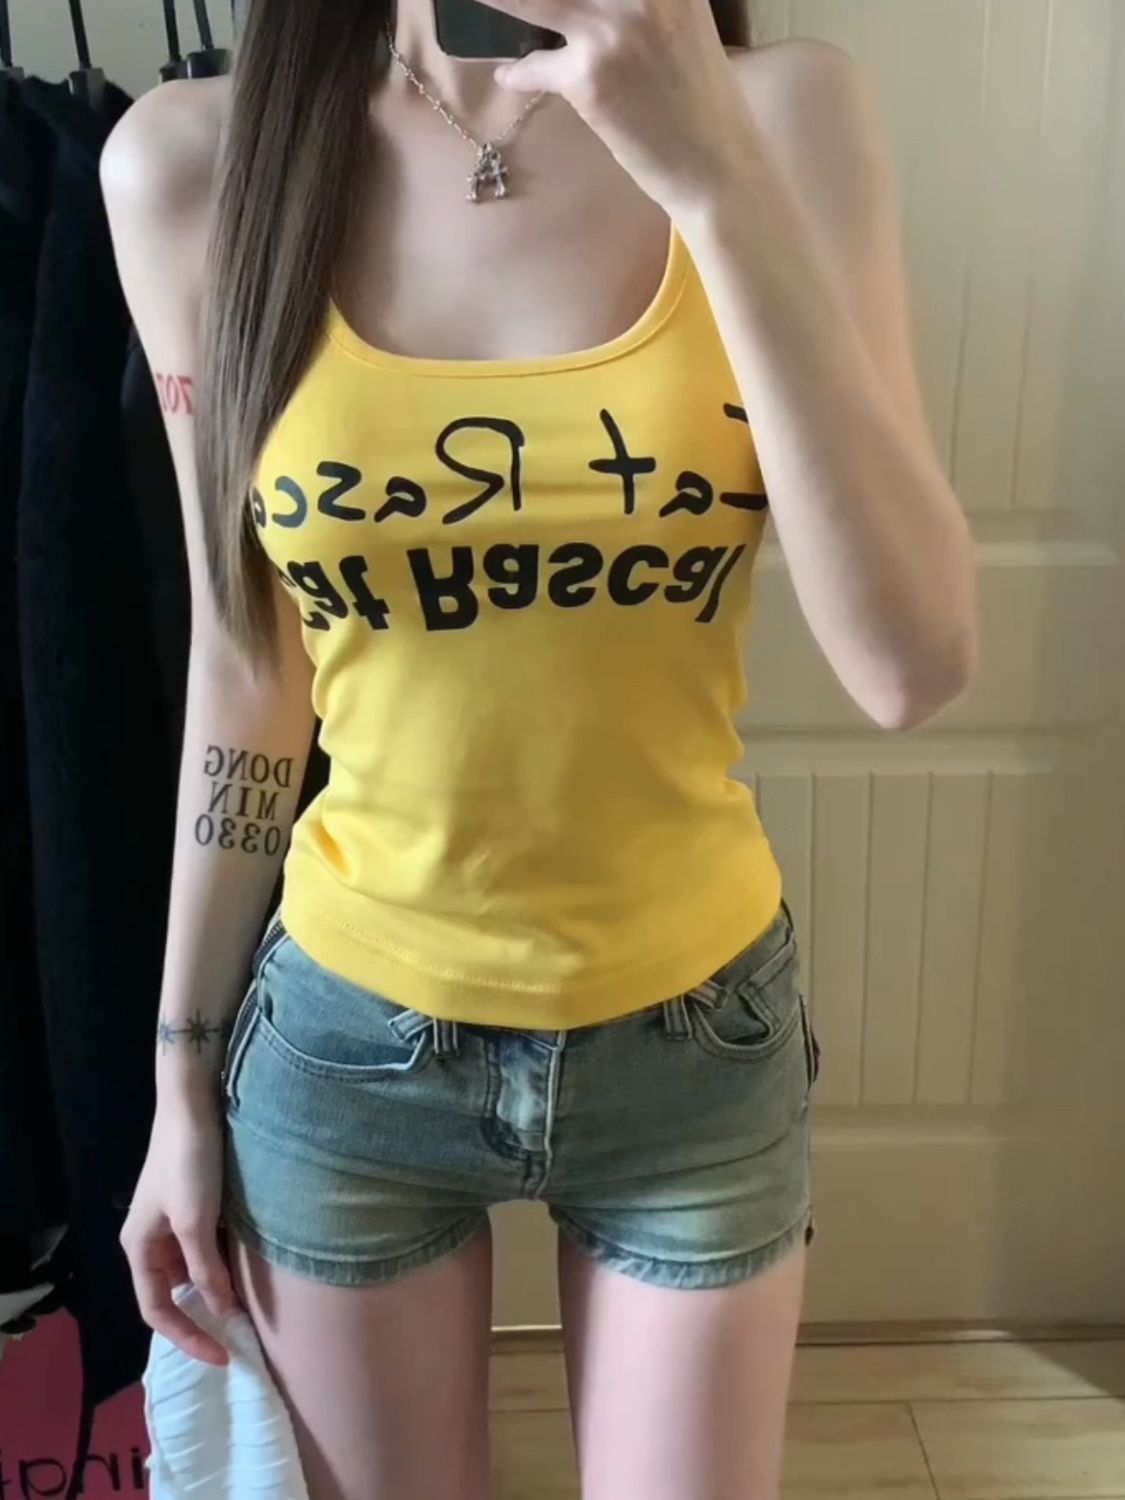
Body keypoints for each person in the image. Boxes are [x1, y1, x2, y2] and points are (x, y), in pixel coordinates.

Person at [102, 1, 978, 1496]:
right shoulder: (197, 164)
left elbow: (912, 665)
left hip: (694, 1036)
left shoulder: (782, 118)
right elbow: (245, 661)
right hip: (346, 1046)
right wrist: (178, 1082)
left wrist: (710, 176)